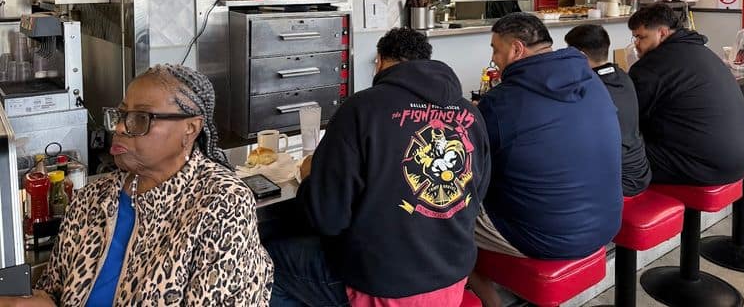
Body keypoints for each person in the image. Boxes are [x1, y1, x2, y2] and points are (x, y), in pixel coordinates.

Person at [0, 64, 273, 307]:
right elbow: (53, 287)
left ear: (190, 129)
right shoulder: (93, 197)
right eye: (121, 115)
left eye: (141, 118)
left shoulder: (221, 202)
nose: (119, 128)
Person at [267, 27, 491, 307]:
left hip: (382, 287)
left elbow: (326, 218)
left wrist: (311, 177)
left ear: (380, 62)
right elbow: (475, 195)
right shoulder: (471, 115)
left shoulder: (361, 109)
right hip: (452, 280)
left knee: (265, 261)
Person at [469, 13, 622, 307]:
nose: (494, 58)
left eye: (495, 49)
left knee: (446, 217)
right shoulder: (589, 79)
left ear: (516, 49)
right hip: (606, 225)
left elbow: (475, 164)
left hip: (547, 237)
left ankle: (492, 302)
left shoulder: (501, 102)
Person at [628, 3, 744, 185]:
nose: (636, 44)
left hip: (711, 166)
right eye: (634, 37)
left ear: (662, 33)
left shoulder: (651, 67)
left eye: (641, 37)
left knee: (623, 154)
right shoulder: (703, 51)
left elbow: (630, 117)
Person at [565, 23, 652, 196]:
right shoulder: (622, 76)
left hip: (620, 181)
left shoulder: (590, 90)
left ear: (580, 56)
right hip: (640, 171)